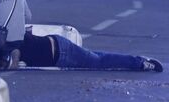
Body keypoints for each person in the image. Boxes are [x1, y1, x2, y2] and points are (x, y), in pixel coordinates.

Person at [19, 31, 163, 72]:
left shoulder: (9, 44)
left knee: (99, 62)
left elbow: (12, 64)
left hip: (61, 53)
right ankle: (138, 61)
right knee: (98, 58)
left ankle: (140, 62)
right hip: (58, 47)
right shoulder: (10, 33)